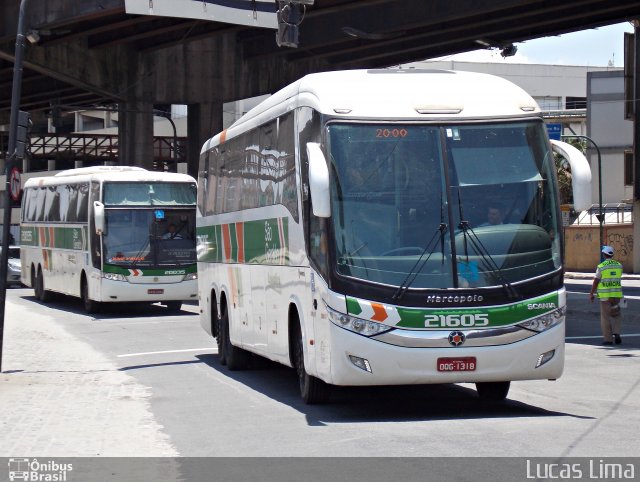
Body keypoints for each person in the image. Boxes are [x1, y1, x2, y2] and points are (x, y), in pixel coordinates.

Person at [589, 245, 623, 345]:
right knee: (617, 315)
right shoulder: (619, 265)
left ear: (604, 254)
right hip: (617, 295)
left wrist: (591, 293)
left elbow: (596, 281)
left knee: (605, 317)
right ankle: (617, 333)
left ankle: (608, 339)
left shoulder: (601, 266)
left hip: (605, 297)